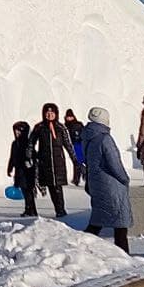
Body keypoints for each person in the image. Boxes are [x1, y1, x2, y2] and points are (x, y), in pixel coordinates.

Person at [82, 107, 132, 253]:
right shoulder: (105, 138)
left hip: (96, 183)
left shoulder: (87, 138)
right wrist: (125, 179)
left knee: (97, 221)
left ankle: (81, 249)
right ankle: (125, 256)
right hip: (111, 186)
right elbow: (114, 163)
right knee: (120, 224)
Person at [28, 102, 75, 217]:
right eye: (47, 113)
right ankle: (58, 208)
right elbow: (31, 142)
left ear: (56, 114)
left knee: (57, 186)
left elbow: (68, 144)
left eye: (52, 113)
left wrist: (74, 159)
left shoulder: (61, 127)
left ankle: (61, 210)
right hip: (45, 161)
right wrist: (30, 155)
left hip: (58, 160)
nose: (49, 115)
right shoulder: (39, 127)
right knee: (50, 185)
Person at [6, 121, 37, 216]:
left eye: (19, 131)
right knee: (24, 190)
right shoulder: (15, 143)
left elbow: (33, 156)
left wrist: (31, 163)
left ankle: (31, 210)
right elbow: (12, 157)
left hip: (28, 170)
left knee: (28, 190)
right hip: (19, 170)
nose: (17, 133)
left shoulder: (28, 143)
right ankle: (29, 209)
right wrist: (10, 167)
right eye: (15, 131)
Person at [63, 110, 85, 187]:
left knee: (78, 161)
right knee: (77, 162)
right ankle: (79, 177)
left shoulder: (78, 124)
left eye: (70, 117)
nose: (69, 118)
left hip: (78, 144)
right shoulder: (64, 126)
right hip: (71, 145)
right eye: (68, 117)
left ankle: (78, 178)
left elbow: (84, 133)